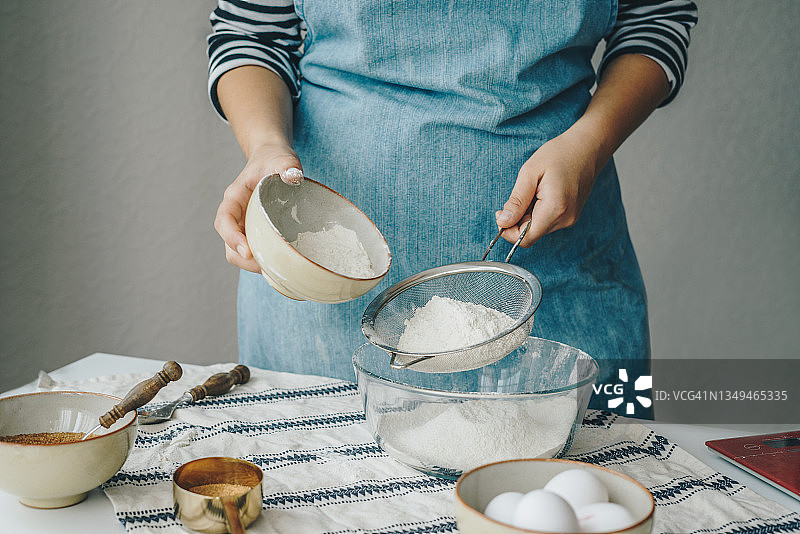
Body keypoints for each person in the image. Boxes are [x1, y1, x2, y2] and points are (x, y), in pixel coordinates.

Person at [207, 0, 697, 416]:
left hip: (560, 269)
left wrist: (589, 146)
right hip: (321, 286)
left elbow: (657, 20)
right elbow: (251, 32)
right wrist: (265, 147)